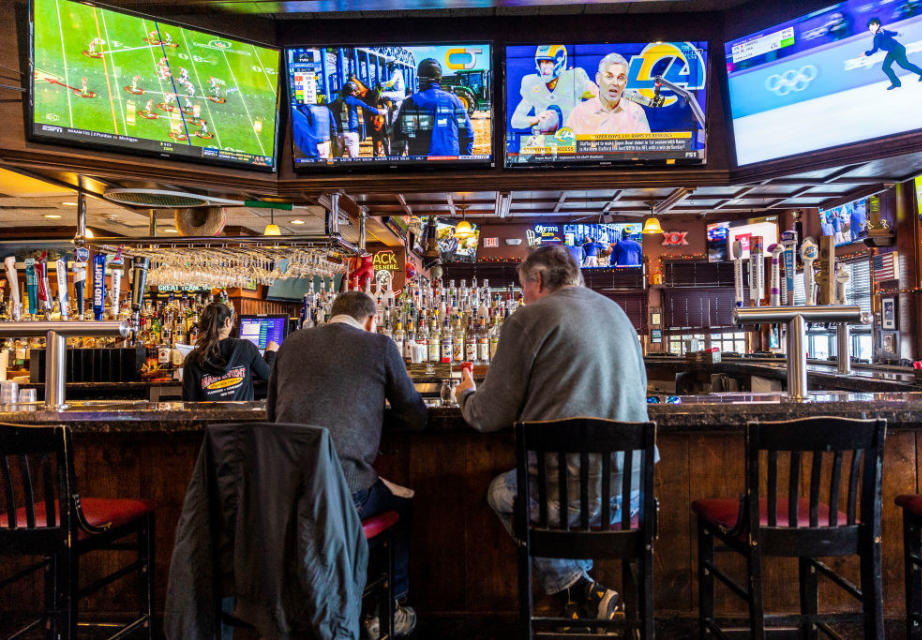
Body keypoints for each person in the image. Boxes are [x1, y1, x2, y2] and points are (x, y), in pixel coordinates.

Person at [454, 245, 650, 623]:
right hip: (632, 494)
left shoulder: (528, 318)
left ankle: (576, 586)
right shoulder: (617, 312)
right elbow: (640, 389)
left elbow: (487, 416)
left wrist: (466, 392)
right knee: (561, 490)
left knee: (500, 493)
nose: (523, 297)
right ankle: (585, 595)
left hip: (568, 500)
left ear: (537, 280)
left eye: (524, 288)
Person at [268, 291, 427, 637]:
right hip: (346, 495)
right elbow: (416, 417)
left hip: (284, 497)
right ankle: (389, 610)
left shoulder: (290, 345)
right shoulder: (379, 345)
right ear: (371, 321)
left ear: (331, 315)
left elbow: (271, 418)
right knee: (404, 503)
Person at [181, 302, 276, 401]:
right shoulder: (245, 347)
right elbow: (269, 376)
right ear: (227, 322)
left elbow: (188, 402)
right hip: (244, 416)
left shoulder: (192, 359)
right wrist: (270, 353)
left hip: (209, 416)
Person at [393, 58, 474, 158]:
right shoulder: (455, 100)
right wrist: (464, 161)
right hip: (451, 164)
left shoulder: (411, 102)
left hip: (421, 165)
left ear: (420, 79)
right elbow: (468, 134)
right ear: (439, 79)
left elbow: (399, 138)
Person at [509, 44, 597, 134]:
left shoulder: (575, 77)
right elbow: (515, 121)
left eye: (548, 62)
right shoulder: (532, 83)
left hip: (571, 141)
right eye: (541, 62)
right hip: (546, 142)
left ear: (560, 61)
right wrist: (537, 119)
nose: (543, 66)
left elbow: (600, 101)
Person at [567, 53, 650, 136]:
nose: (615, 83)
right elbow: (565, 145)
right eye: (609, 77)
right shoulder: (579, 113)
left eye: (620, 78)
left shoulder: (636, 112)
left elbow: (647, 148)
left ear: (626, 82)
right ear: (598, 79)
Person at [861, 17, 922, 90]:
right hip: (893, 51)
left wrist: (866, 53)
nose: (871, 27)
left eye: (873, 25)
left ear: (878, 25)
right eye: (870, 27)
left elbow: (875, 50)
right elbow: (890, 33)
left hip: (897, 50)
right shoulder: (882, 31)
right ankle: (896, 83)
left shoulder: (877, 37)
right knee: (886, 67)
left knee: (905, 65)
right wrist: (898, 33)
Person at [331, 80, 387, 158]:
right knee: (353, 160)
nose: (356, 93)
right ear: (350, 91)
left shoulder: (337, 101)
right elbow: (369, 108)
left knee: (336, 161)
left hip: (339, 135)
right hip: (351, 134)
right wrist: (382, 112)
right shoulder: (355, 100)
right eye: (354, 91)